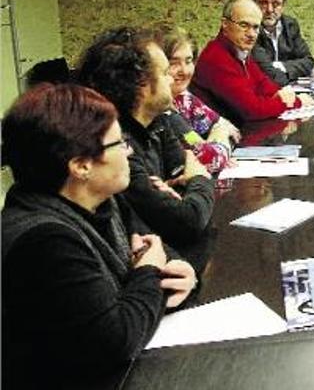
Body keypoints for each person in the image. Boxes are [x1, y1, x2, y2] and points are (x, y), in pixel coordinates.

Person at [1, 83, 196, 387]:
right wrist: (149, 272)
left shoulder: (102, 200)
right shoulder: (43, 241)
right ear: (81, 166)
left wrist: (179, 271)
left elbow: (154, 246)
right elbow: (116, 340)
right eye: (119, 144)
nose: (129, 151)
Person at [77, 27, 215, 251]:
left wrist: (179, 191)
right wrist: (200, 179)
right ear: (141, 84)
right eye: (164, 72)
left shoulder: (158, 121)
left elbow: (182, 178)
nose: (172, 77)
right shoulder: (116, 147)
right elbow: (186, 222)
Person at [191, 0, 310, 123]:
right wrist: (295, 102)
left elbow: (263, 85)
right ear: (225, 24)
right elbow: (252, 110)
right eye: (244, 25)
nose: (252, 34)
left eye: (256, 27)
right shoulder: (216, 57)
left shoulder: (239, 51)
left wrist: (282, 95)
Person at [159, 24, 240, 174]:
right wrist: (219, 136)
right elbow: (210, 160)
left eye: (188, 61)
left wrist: (216, 138)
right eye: (173, 63)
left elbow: (229, 130)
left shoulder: (184, 99)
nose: (184, 71)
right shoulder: (162, 111)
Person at [251, 0, 314, 85]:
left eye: (276, 3)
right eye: (263, 3)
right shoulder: (249, 29)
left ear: (283, 6)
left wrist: (280, 66)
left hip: (289, 89)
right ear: (254, 3)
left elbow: (308, 61)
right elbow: (264, 72)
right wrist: (293, 71)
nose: (269, 10)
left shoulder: (290, 25)